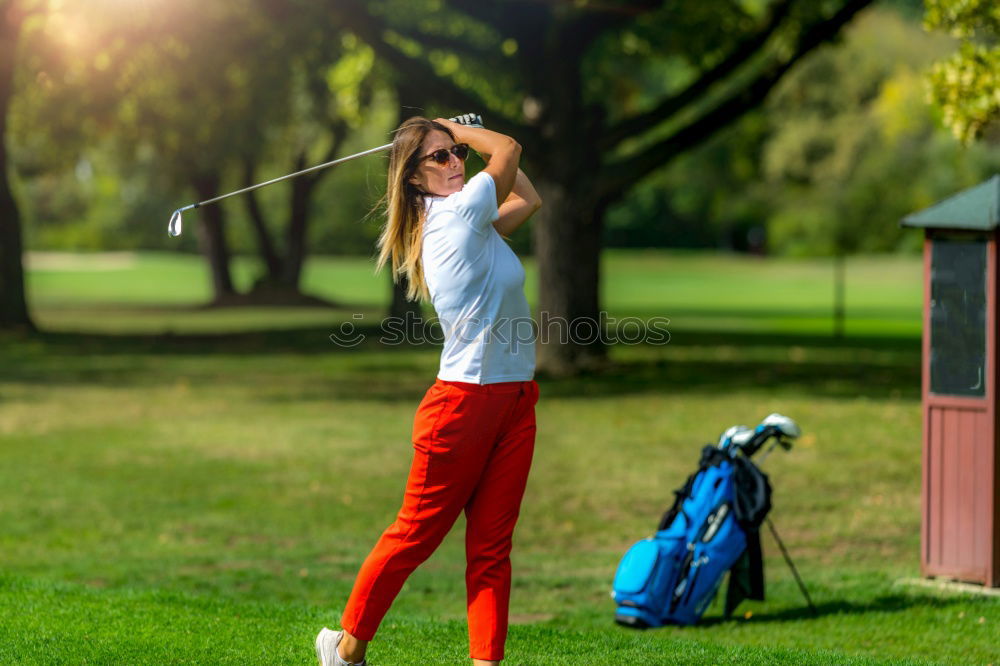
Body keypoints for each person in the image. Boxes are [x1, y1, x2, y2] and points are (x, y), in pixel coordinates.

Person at [316, 115, 543, 666]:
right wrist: (458, 128)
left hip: (514, 400)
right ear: (413, 178)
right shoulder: (456, 216)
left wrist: (454, 136)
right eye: (439, 157)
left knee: (491, 549)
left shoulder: (475, 218)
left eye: (455, 154)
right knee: (414, 535)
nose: (454, 162)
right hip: (462, 405)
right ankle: (346, 652)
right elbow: (509, 150)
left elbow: (528, 197)